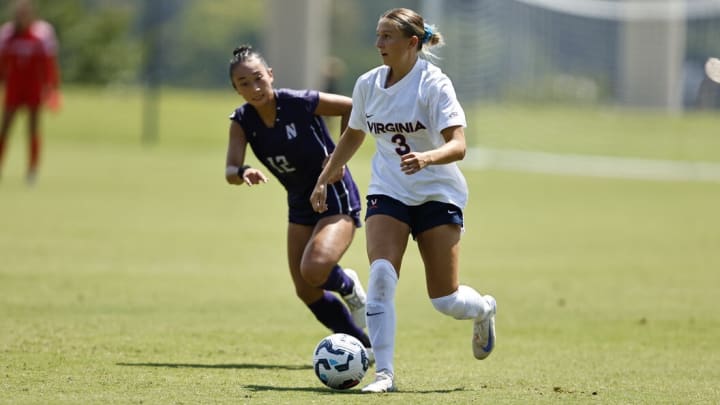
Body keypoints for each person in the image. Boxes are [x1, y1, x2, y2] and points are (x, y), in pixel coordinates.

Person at [310, 8, 497, 393]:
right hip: (388, 191)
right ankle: (384, 375)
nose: (378, 44)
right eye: (378, 36)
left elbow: (459, 144)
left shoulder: (434, 84)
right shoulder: (367, 84)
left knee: (445, 300)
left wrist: (427, 157)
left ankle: (484, 310)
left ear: (412, 43)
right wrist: (325, 177)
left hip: (437, 194)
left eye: (387, 37)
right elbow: (353, 135)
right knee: (380, 276)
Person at [224, 45, 373, 357]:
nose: (254, 88)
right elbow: (230, 170)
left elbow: (350, 108)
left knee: (316, 268)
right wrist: (244, 170)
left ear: (270, 75)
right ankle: (361, 345)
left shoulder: (299, 102)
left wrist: (338, 159)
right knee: (306, 289)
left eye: (258, 78)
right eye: (244, 83)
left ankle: (350, 287)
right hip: (300, 203)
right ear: (236, 89)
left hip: (334, 193)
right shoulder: (241, 120)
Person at [0, 0, 60, 184]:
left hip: (33, 89)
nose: (22, 17)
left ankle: (32, 170)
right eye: (19, 13)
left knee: (33, 129)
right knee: (5, 129)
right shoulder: (7, 35)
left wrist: (51, 88)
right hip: (14, 89)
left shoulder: (41, 34)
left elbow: (49, 65)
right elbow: (2, 65)